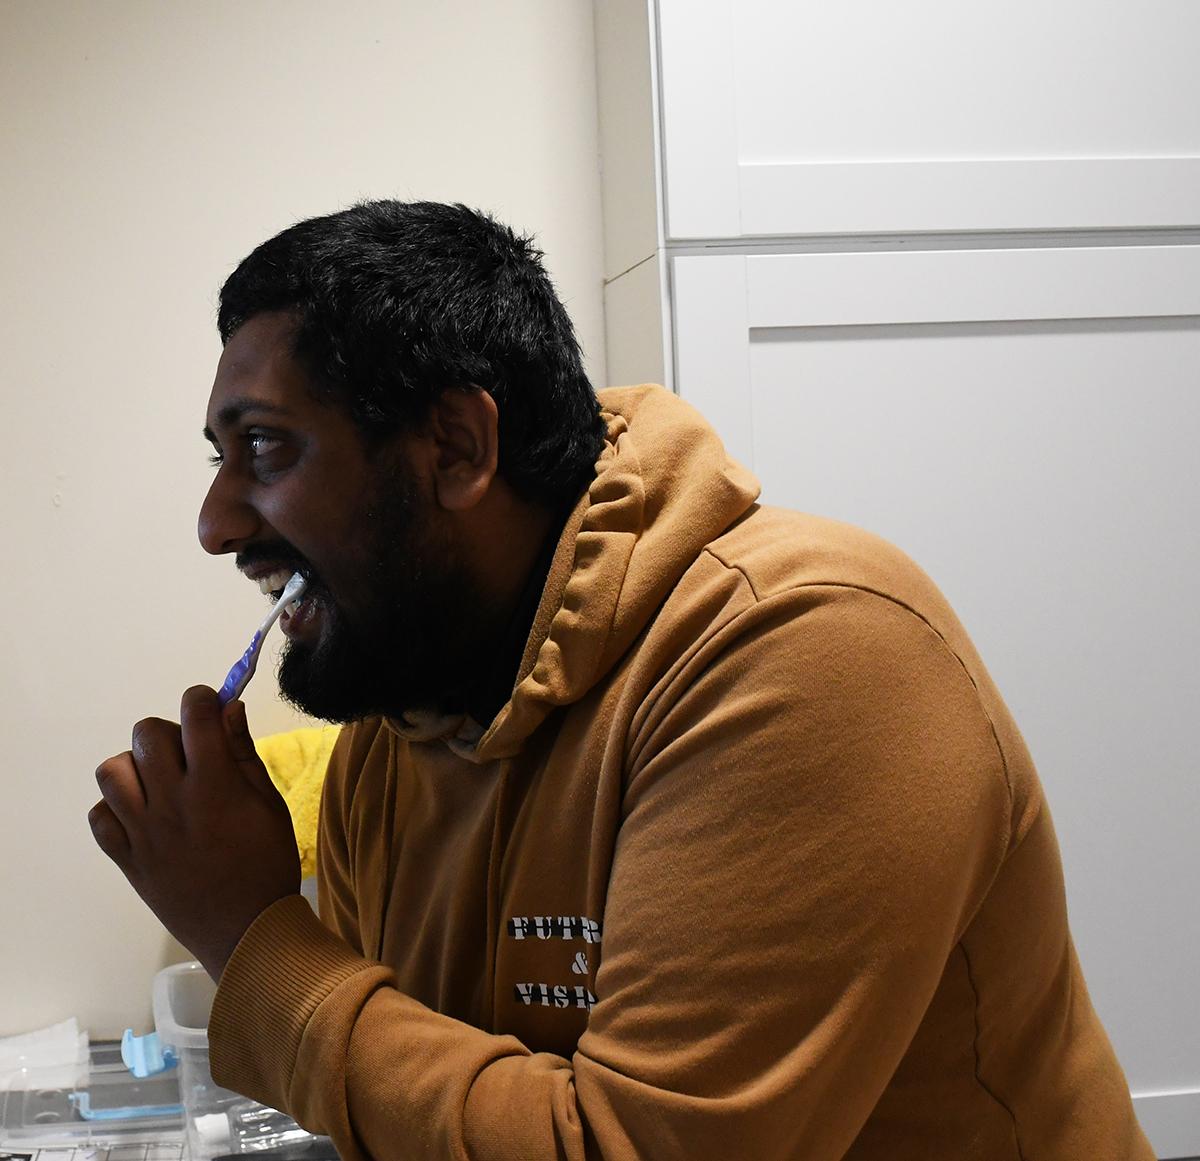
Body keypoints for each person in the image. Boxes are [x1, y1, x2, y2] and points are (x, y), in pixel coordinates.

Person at [90, 200, 1154, 1160]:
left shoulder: (807, 651)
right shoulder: (393, 733)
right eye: (220, 459)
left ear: (456, 447)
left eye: (266, 447)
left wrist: (254, 935)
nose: (216, 524)